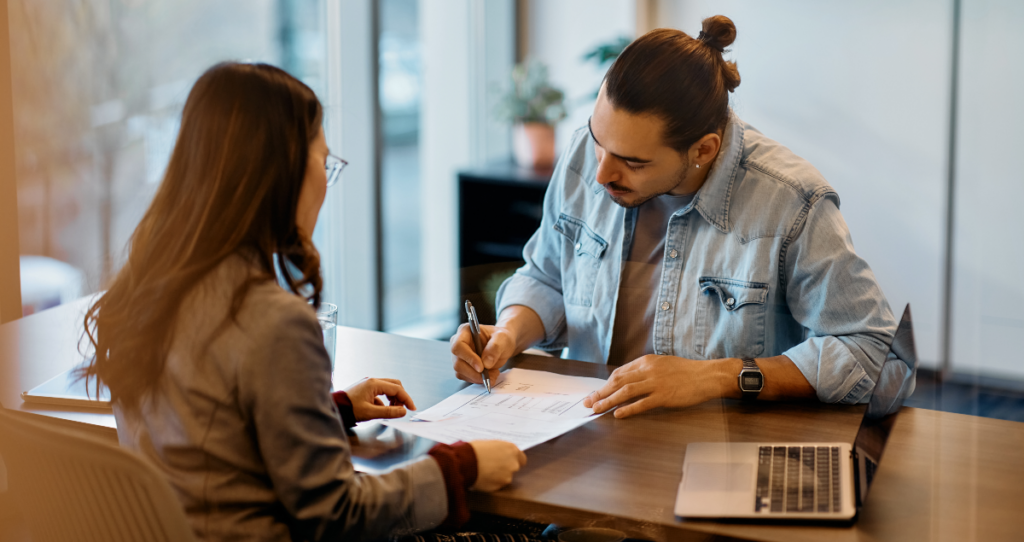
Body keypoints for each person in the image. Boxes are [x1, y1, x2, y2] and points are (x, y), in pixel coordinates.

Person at [79, 62, 525, 541]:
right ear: (281, 171)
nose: (326, 186)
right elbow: (337, 516)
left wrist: (329, 410)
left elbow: (210, 439)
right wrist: (461, 465)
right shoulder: (271, 320)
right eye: (324, 161)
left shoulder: (147, 292)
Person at [450, 16, 897, 419]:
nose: (601, 172)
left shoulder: (790, 200)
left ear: (703, 150)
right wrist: (507, 333)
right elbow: (548, 278)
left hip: (718, 456)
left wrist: (714, 378)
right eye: (597, 140)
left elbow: (876, 356)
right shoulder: (587, 157)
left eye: (632, 161)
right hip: (585, 435)